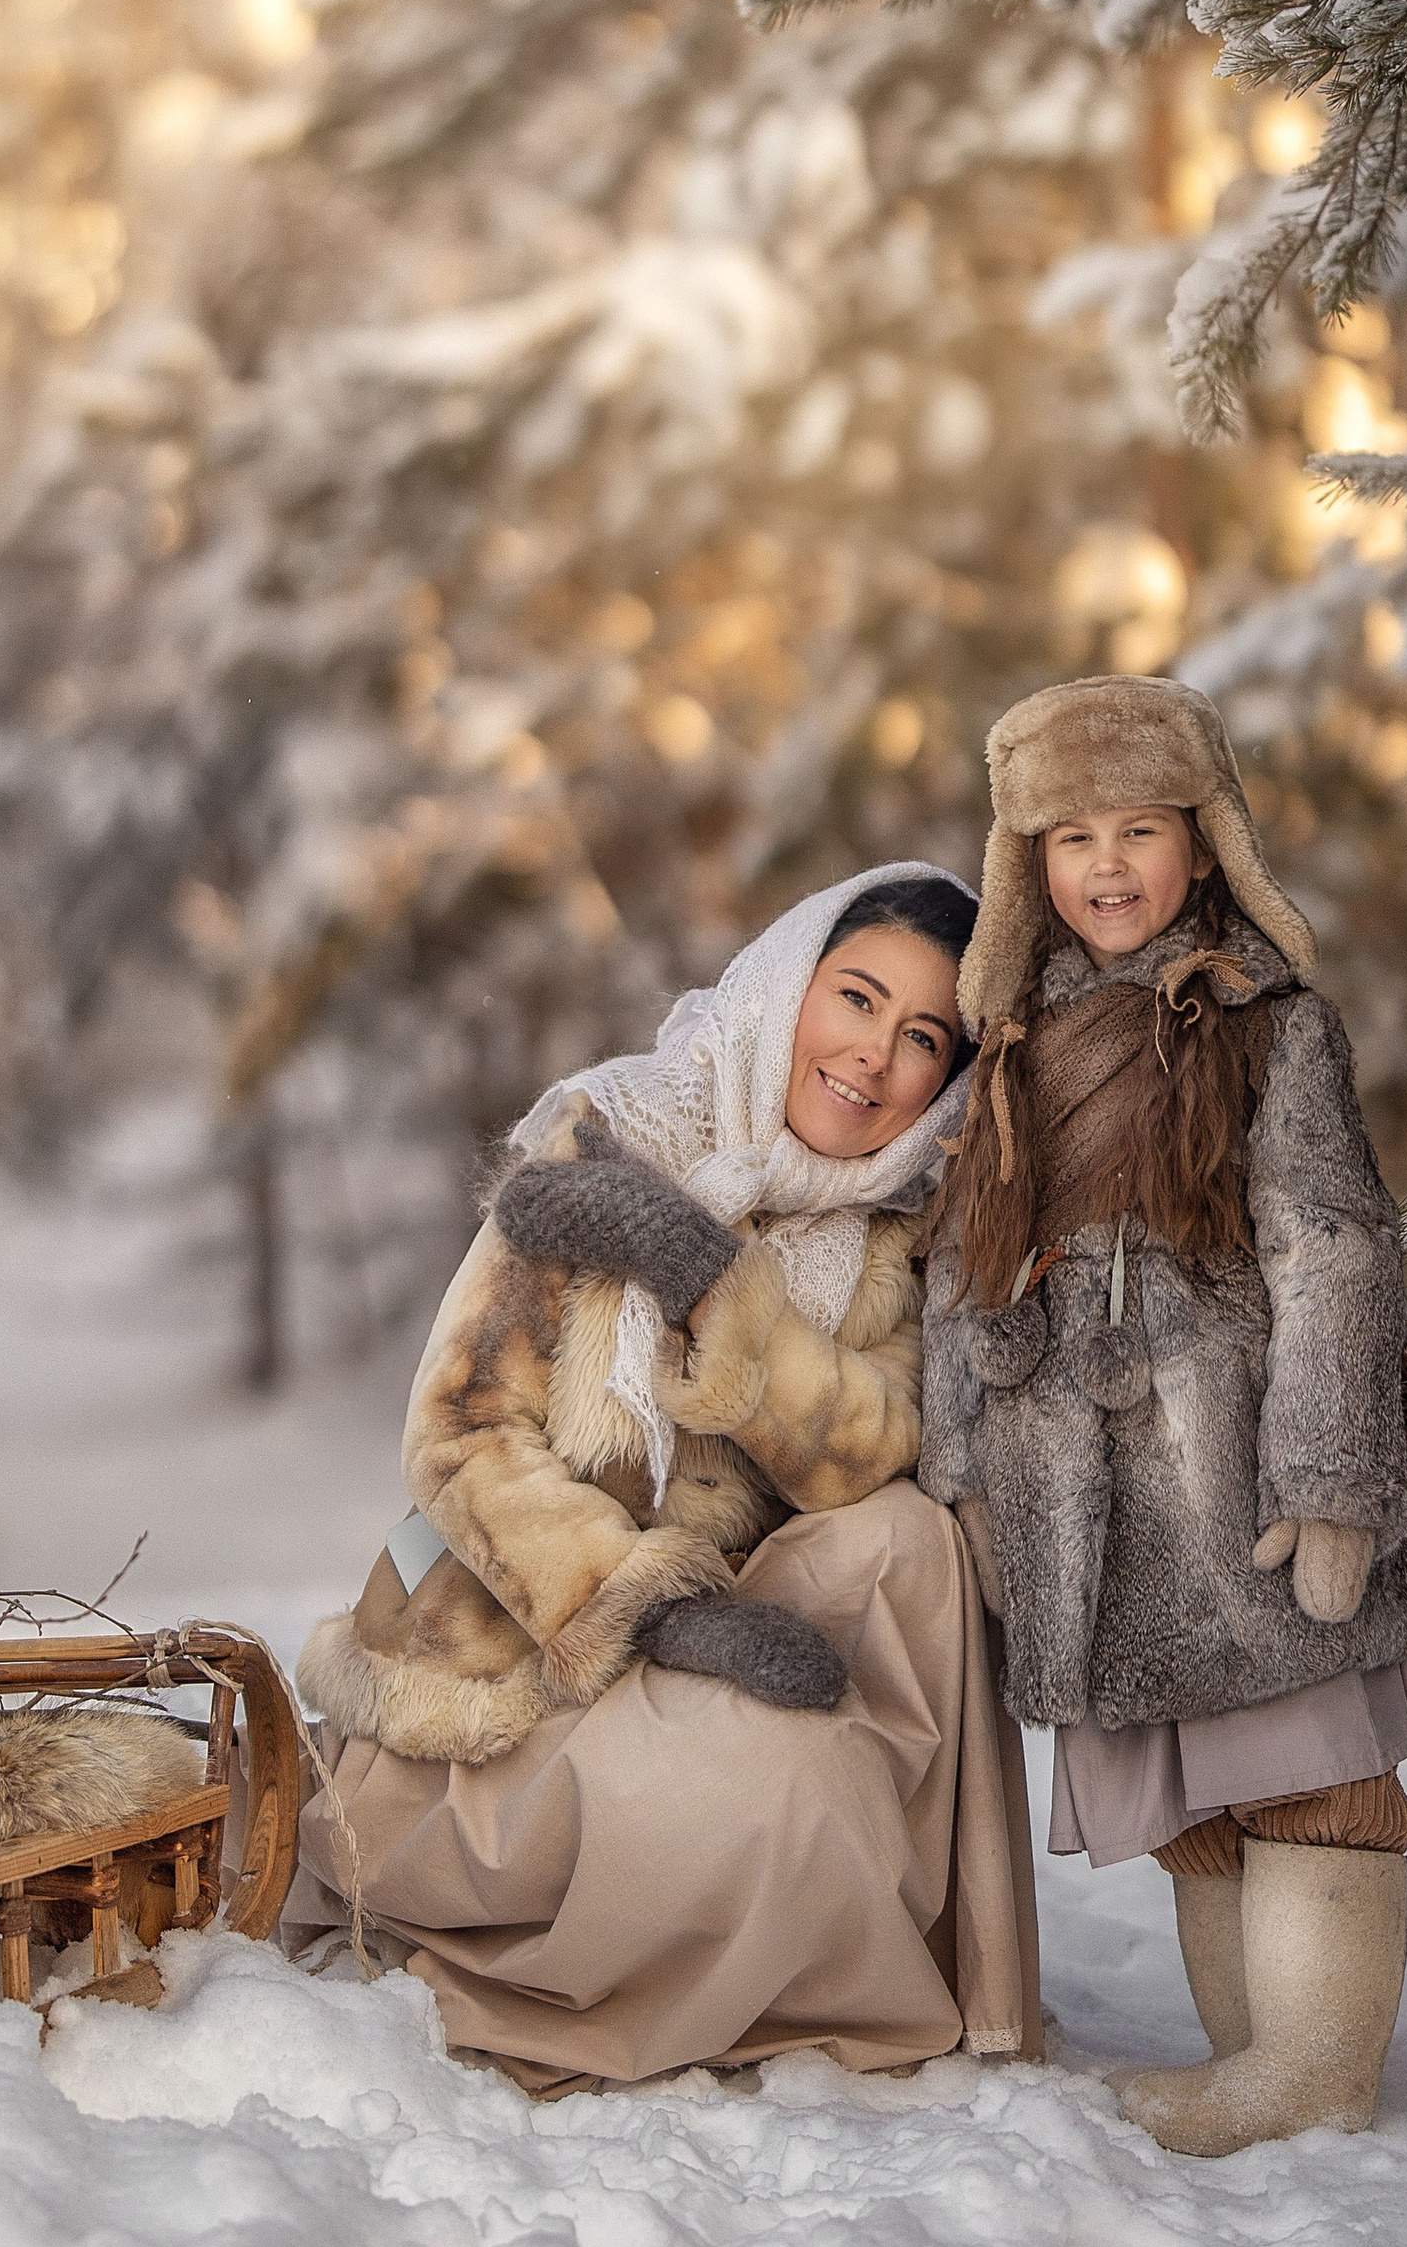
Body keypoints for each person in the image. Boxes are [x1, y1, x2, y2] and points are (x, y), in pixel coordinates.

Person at [281, 866, 1041, 2089]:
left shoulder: (896, 1232)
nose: (874, 1058)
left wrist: (714, 1288)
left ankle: (844, 1937)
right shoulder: (606, 1140)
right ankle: (658, 1929)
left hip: (724, 1640)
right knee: (796, 1792)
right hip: (501, 1644)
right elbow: (458, 1434)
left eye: (921, 1039)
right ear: (788, 982)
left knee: (909, 1539)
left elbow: (869, 1445)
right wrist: (647, 1604)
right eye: (854, 998)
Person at [923, 677, 1407, 2156]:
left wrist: (1337, 1475)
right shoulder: (1006, 1052)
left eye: (1137, 828)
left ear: (1202, 843)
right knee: (1195, 1790)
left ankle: (1320, 2069)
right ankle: (1257, 2059)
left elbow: (1333, 1246)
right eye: (1070, 836)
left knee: (1313, 1760)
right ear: (1030, 864)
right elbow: (964, 1279)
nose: (1106, 865)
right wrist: (965, 1471)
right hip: (1075, 1480)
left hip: (1236, 1463)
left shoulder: (1273, 1026)